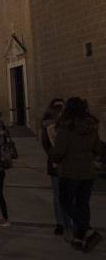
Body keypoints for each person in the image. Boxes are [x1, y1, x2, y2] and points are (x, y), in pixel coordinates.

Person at [50, 97, 102, 252]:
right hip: (88, 171)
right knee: (82, 205)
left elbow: (59, 150)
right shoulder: (91, 126)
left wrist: (54, 158)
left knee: (65, 202)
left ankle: (88, 230)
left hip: (70, 171)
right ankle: (79, 239)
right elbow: (98, 147)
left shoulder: (67, 127)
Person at [40, 98, 70, 235]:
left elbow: (46, 145)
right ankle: (63, 223)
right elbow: (46, 144)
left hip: (59, 163)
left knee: (61, 195)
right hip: (59, 164)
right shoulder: (52, 126)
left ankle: (63, 223)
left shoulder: (65, 124)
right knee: (61, 195)